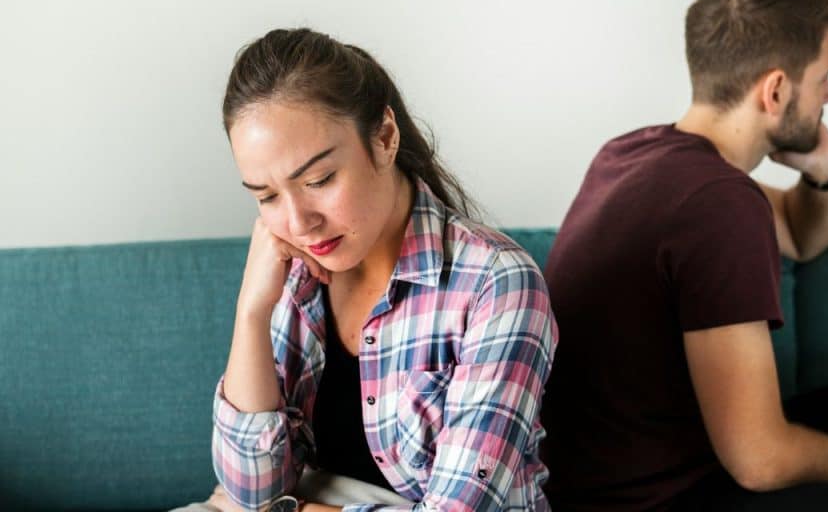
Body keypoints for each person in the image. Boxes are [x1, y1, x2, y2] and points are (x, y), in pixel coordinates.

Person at [540, 0, 828, 511]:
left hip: (633, 465)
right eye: (824, 77)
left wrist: (826, 169)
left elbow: (800, 234)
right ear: (775, 89)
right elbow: (759, 460)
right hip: (660, 498)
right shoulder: (718, 204)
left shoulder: (634, 154)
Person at [173, 28, 557, 512]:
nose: (298, 223)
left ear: (384, 138)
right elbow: (251, 491)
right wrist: (251, 310)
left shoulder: (496, 284)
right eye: (266, 197)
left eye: (319, 180)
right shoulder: (292, 273)